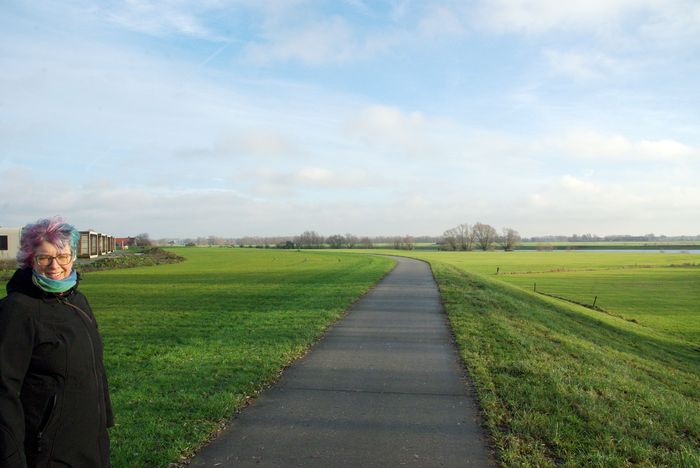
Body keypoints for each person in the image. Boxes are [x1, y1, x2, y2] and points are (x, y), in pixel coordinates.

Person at [0, 217, 113, 467]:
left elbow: (94, 363)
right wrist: (10, 457)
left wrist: (104, 418)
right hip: (46, 450)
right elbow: (4, 389)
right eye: (44, 258)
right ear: (30, 259)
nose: (55, 266)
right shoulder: (17, 310)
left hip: (89, 441)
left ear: (72, 257)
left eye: (63, 256)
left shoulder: (77, 301)